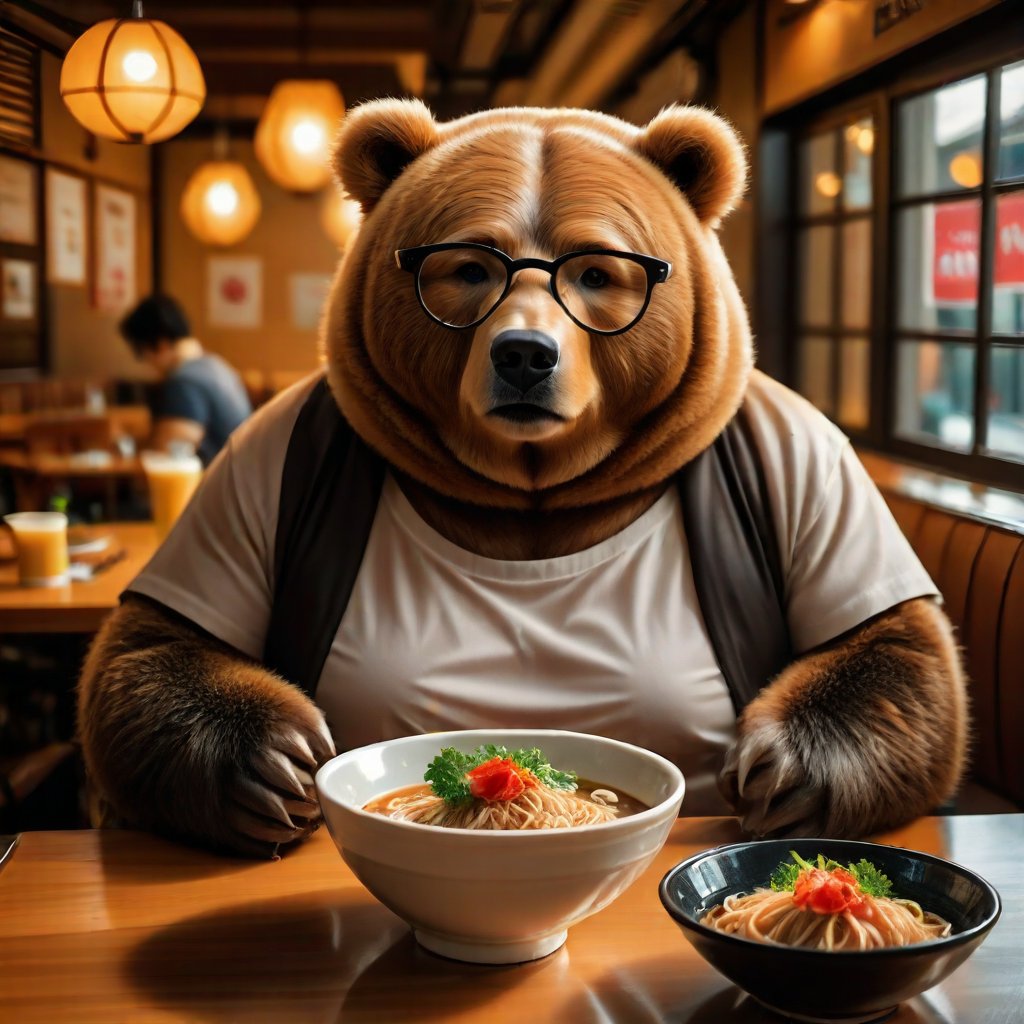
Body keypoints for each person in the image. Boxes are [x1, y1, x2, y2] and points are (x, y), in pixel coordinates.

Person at [119, 294, 253, 465]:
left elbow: (168, 454)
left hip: (219, 485)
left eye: (140, 353)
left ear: (161, 343)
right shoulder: (218, 366)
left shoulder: (185, 381)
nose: (146, 363)